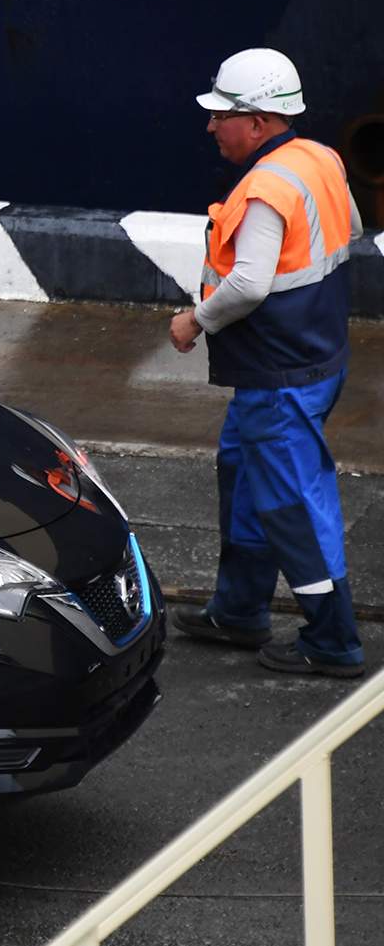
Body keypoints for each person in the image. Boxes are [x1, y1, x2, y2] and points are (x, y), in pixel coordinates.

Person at [167, 48, 366, 678]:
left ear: (257, 122)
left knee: (292, 503)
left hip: (282, 377)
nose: (210, 127)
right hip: (309, 362)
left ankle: (333, 638)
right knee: (245, 473)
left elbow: (249, 285)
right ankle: (239, 610)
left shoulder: (265, 187)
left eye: (221, 115)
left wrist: (192, 321)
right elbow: (352, 230)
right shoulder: (320, 160)